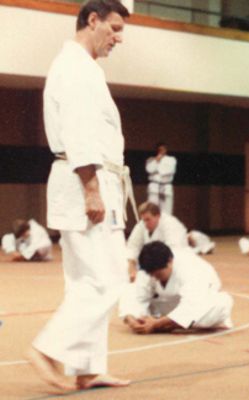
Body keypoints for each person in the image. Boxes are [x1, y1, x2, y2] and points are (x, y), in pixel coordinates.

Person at [26, 0, 132, 391]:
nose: (119, 39)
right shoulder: (73, 67)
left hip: (92, 177)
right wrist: (91, 188)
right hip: (84, 177)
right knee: (108, 278)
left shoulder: (83, 67)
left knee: (88, 278)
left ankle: (87, 368)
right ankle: (47, 348)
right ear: (93, 20)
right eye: (115, 28)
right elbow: (77, 130)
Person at [119, 241, 233, 334]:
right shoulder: (149, 268)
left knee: (223, 302)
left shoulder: (191, 268)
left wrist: (156, 324)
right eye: (152, 275)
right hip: (164, 310)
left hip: (199, 306)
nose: (155, 278)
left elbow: (191, 305)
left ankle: (171, 324)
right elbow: (138, 296)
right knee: (129, 289)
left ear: (170, 262)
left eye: (158, 274)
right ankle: (168, 323)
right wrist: (131, 319)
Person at [126, 202, 187, 281]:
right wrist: (132, 269)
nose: (145, 223)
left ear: (158, 216)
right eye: (143, 220)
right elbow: (133, 246)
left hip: (177, 263)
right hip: (154, 263)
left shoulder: (171, 224)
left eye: (148, 220)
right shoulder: (142, 224)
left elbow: (174, 250)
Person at [146, 142, 177, 214]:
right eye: (159, 149)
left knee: (167, 212)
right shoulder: (151, 159)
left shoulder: (171, 160)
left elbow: (169, 170)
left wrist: (157, 170)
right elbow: (149, 170)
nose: (161, 151)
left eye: (163, 149)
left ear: (166, 150)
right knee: (152, 210)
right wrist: (156, 161)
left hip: (166, 188)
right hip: (154, 188)